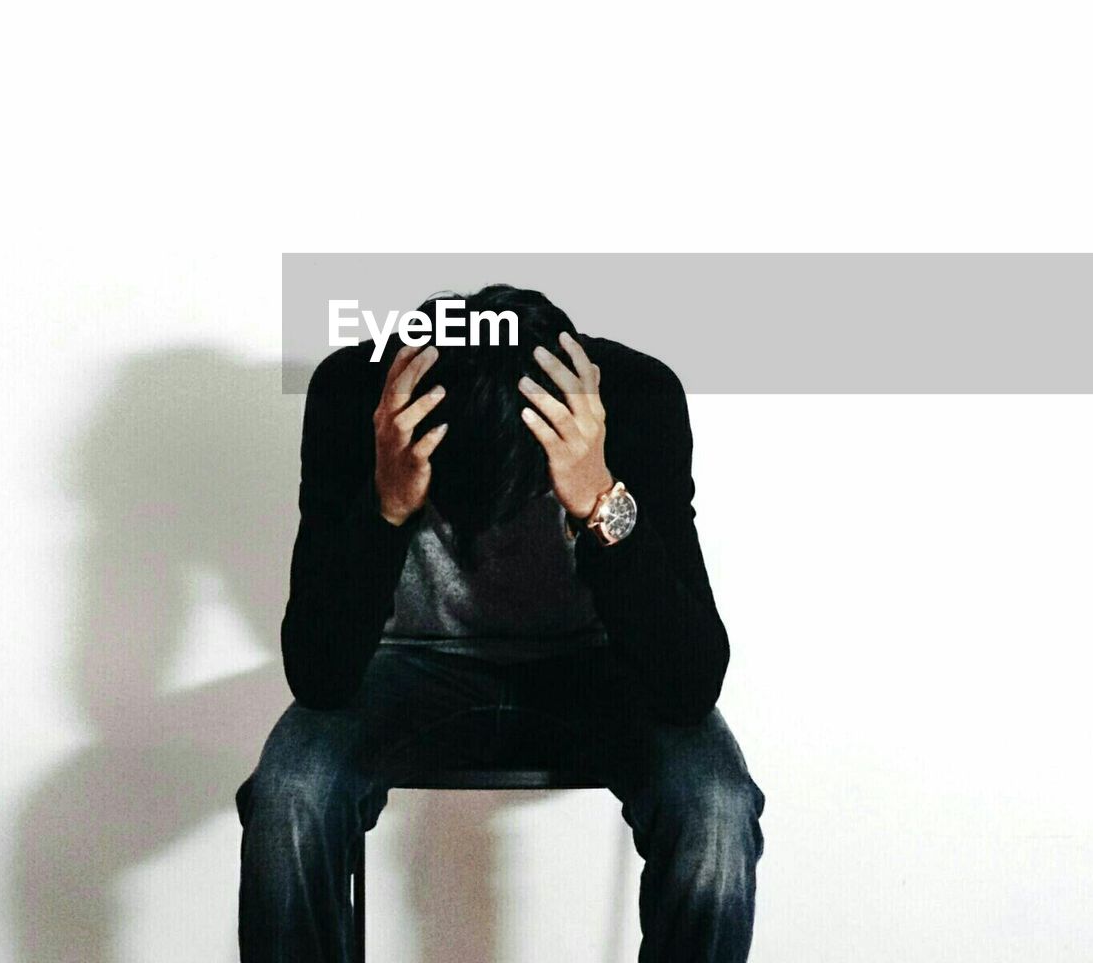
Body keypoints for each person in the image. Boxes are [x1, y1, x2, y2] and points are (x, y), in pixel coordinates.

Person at [235, 284, 765, 962]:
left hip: (595, 666)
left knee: (715, 803)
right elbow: (319, 676)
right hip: (401, 665)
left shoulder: (636, 395)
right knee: (290, 793)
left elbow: (689, 684)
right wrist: (388, 506)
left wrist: (599, 499)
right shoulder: (354, 394)